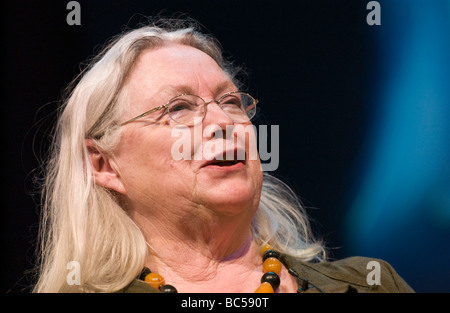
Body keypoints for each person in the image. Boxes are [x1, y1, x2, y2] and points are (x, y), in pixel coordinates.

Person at [32, 17, 413, 293]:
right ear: (103, 164)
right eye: (179, 108)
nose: (220, 121)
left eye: (230, 102)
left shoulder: (371, 284)